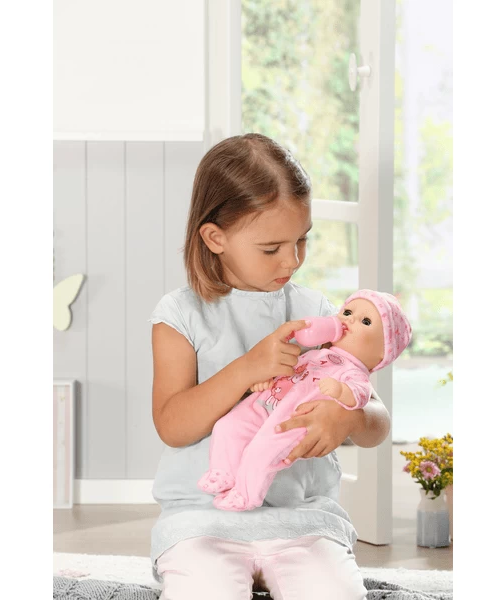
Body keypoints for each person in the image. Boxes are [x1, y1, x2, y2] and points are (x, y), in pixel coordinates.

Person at [149, 133, 391, 600]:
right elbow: (172, 426)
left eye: (302, 240)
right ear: (215, 238)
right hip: (203, 520)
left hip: (302, 520)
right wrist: (246, 368)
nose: (292, 259)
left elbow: (377, 421)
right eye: (271, 248)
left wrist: (350, 419)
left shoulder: (318, 312)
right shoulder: (179, 315)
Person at [199, 290, 411, 512]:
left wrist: (341, 390)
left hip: (295, 420)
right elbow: (291, 371)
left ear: (382, 353)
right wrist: (266, 380)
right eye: (348, 312)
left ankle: (245, 495)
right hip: (269, 403)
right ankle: (222, 472)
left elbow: (360, 395)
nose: (350, 319)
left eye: (365, 321)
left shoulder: (354, 373)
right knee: (229, 425)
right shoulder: (314, 354)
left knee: (262, 451)